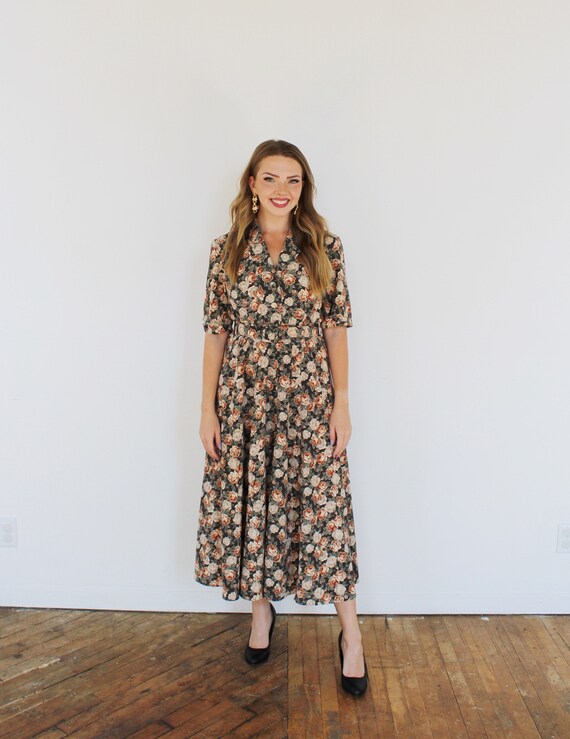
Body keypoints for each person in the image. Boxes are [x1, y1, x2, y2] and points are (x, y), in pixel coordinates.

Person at [194, 139, 368, 696]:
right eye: (270, 178)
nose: (281, 190)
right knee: (256, 504)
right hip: (244, 402)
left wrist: (342, 402)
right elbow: (216, 333)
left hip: (308, 400)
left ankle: (352, 636)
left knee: (324, 511)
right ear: (252, 184)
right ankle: (261, 613)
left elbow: (336, 328)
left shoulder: (324, 247)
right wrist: (207, 408)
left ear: (303, 188)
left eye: (293, 180)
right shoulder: (226, 251)